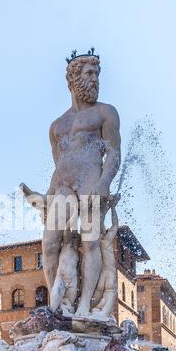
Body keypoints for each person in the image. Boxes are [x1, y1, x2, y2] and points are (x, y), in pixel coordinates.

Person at [41, 50, 121, 317]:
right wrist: (50, 192)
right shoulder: (56, 125)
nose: (95, 78)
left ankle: (85, 304)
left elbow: (114, 152)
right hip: (62, 185)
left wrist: (103, 184)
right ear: (73, 79)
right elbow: (58, 160)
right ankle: (57, 306)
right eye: (89, 73)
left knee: (90, 242)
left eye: (97, 73)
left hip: (90, 182)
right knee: (50, 243)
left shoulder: (105, 112)